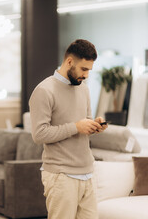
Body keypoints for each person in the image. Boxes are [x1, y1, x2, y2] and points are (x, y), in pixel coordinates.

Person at [29, 39, 108, 219]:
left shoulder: (84, 89)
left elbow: (83, 122)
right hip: (61, 175)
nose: (86, 75)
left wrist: (93, 125)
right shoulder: (44, 90)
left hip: (87, 172)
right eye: (84, 69)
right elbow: (39, 134)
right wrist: (76, 127)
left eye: (89, 70)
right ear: (70, 62)